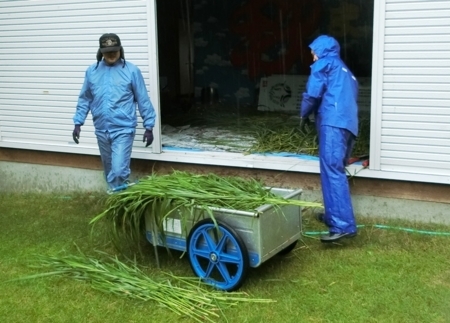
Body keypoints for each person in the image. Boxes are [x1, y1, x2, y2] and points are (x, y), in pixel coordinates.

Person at [72, 33, 156, 191]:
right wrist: (78, 122)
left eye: (114, 50)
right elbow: (85, 98)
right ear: (100, 52)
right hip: (101, 129)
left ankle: (119, 198)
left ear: (121, 50)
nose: (111, 54)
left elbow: (143, 99)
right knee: (109, 170)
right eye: (107, 51)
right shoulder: (92, 71)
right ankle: (118, 201)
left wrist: (149, 125)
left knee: (118, 171)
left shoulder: (132, 71)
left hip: (123, 129)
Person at [299, 35, 358, 243]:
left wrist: (303, 114)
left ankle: (343, 225)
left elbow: (313, 94)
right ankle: (334, 216)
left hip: (333, 124)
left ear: (322, 50)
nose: (313, 56)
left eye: (314, 51)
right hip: (349, 126)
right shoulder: (346, 72)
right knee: (334, 170)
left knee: (332, 172)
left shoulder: (324, 64)